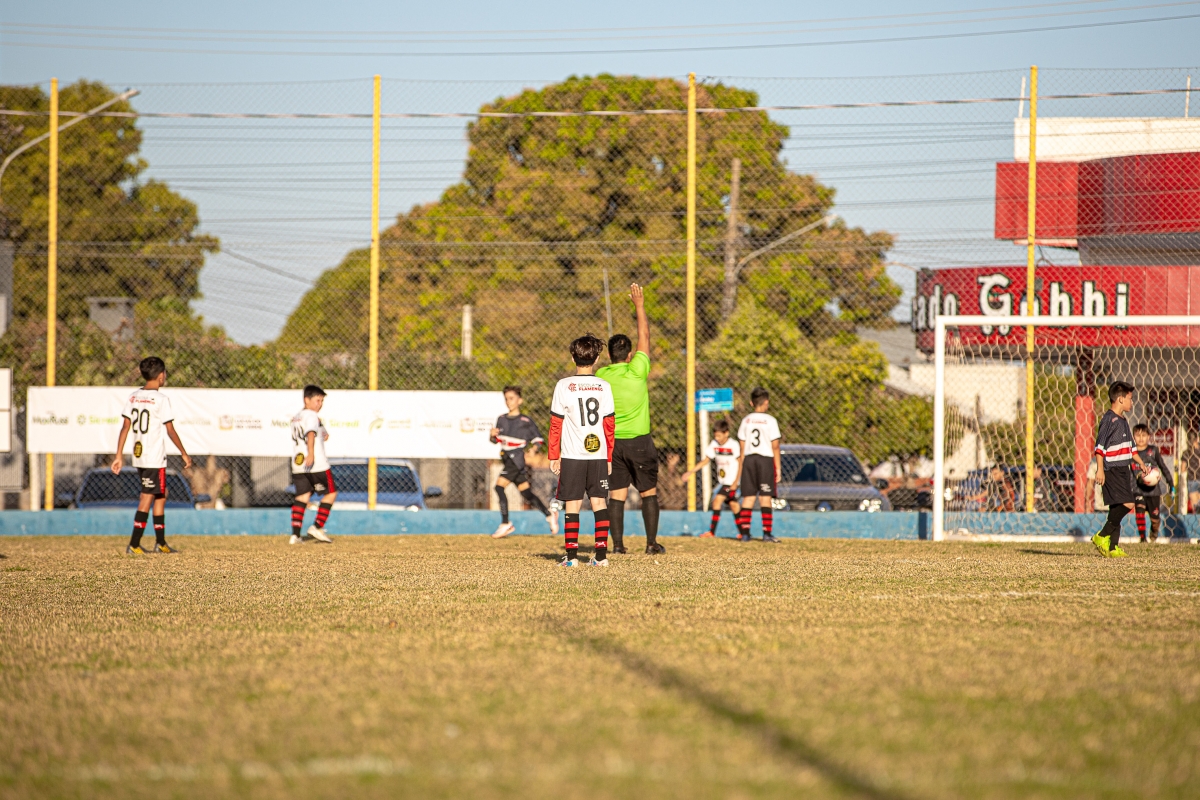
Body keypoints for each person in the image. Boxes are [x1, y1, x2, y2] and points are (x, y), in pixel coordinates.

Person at [595, 283, 663, 555]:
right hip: (639, 441)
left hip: (612, 444)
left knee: (617, 494)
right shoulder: (638, 370)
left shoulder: (601, 376)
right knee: (648, 492)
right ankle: (651, 544)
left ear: (609, 356)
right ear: (631, 355)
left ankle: (618, 546)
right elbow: (645, 334)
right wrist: (639, 305)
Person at [113, 356, 193, 555]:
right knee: (147, 497)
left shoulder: (133, 397)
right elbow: (170, 429)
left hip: (140, 455)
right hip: (153, 457)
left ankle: (160, 543)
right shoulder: (161, 399)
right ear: (161, 376)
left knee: (161, 494)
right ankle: (134, 544)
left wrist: (119, 455)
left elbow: (125, 427)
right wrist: (184, 453)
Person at [548, 334, 615, 567]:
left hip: (572, 454)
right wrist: (609, 456)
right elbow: (609, 425)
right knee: (599, 503)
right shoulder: (604, 386)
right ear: (596, 359)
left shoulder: (563, 385)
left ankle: (572, 558)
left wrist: (553, 455)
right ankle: (601, 557)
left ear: (572, 357)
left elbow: (556, 424)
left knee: (572, 503)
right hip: (598, 454)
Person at [489, 386, 557, 538]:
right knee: (526, 493)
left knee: (499, 487)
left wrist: (533, 449)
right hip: (507, 460)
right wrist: (492, 435)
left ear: (520, 401)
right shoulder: (501, 419)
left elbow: (538, 439)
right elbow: (495, 440)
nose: (509, 402)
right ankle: (549, 514)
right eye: (506, 399)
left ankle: (505, 523)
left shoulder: (525, 421)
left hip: (517, 461)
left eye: (512, 398)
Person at [1091, 381, 1148, 558]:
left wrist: (1141, 463)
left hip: (1124, 469)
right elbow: (1099, 447)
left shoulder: (1124, 421)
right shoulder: (1109, 419)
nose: (1132, 402)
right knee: (1128, 503)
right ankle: (1101, 536)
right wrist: (1100, 470)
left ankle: (1112, 547)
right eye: (1130, 398)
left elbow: (1132, 449)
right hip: (1112, 469)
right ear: (1120, 399)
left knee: (1116, 508)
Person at [733, 388, 783, 543]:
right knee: (765, 497)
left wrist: (742, 465)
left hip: (749, 460)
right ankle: (767, 534)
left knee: (748, 497)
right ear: (766, 402)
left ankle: (745, 534)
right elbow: (775, 446)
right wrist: (778, 467)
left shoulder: (746, 420)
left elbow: (742, 446)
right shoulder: (771, 420)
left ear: (751, 403)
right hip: (765, 460)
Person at [289, 385, 336, 545]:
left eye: (322, 401)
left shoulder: (297, 417)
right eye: (317, 400)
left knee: (302, 496)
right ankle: (317, 526)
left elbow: (324, 436)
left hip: (298, 463)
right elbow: (310, 433)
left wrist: (321, 427)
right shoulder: (311, 415)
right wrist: (311, 453)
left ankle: (295, 535)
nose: (320, 404)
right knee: (331, 493)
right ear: (306, 400)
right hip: (316, 463)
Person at [683, 419, 741, 538]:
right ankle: (744, 532)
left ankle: (712, 532)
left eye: (719, 435)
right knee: (734, 505)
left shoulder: (733, 444)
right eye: (716, 436)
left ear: (726, 433)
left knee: (716, 501)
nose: (717, 438)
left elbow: (741, 463)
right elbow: (706, 460)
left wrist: (736, 482)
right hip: (724, 481)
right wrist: (691, 472)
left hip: (732, 481)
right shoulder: (714, 444)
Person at [1132, 423, 1173, 543]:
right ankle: (1142, 539)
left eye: (1143, 435)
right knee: (1139, 512)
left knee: (1155, 518)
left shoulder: (1153, 450)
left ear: (1149, 436)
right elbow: (1128, 472)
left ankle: (1154, 531)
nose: (1141, 438)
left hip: (1153, 491)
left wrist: (1171, 483)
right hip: (1138, 489)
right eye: (1138, 435)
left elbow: (1162, 466)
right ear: (1133, 437)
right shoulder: (1131, 453)